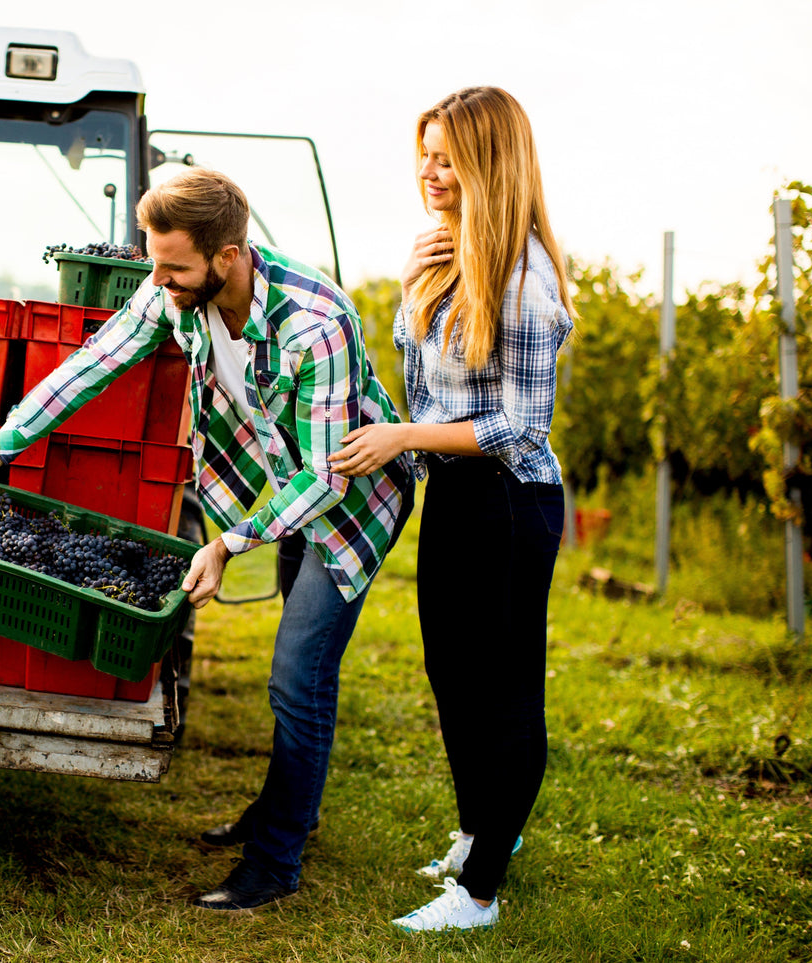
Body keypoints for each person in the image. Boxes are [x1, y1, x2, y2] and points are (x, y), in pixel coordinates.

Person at [0, 168, 415, 913]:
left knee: (295, 674)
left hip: (351, 500)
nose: (157, 281)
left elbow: (327, 476)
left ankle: (274, 861)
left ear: (228, 256)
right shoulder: (173, 289)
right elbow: (92, 363)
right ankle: (289, 807)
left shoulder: (314, 321)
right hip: (289, 480)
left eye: (173, 267)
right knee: (302, 675)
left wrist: (225, 543)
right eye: (153, 262)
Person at [329, 86, 576, 932]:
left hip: (510, 503)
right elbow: (421, 387)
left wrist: (403, 435)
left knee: (502, 691)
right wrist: (409, 291)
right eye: (424, 154)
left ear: (488, 163)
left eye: (447, 157)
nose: (429, 173)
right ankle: (479, 837)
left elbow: (521, 423)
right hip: (458, 495)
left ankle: (476, 896)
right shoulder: (446, 253)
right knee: (453, 679)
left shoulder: (523, 278)